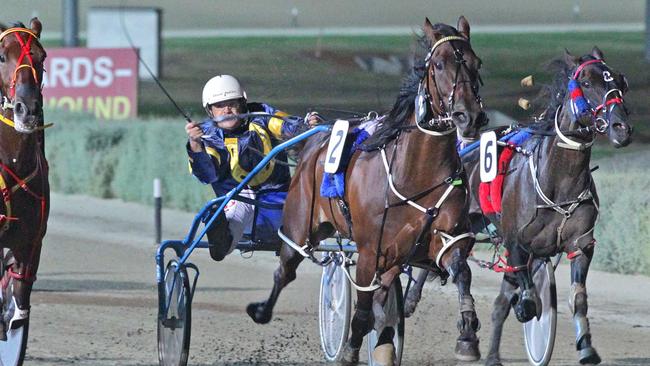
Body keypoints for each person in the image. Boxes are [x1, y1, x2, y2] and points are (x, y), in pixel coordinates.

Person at [186, 75, 319, 261]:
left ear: (243, 103)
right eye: (220, 105)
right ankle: (221, 240)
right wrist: (195, 145)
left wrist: (306, 127)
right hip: (236, 199)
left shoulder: (262, 115)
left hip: (277, 202)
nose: (227, 109)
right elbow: (207, 175)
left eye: (232, 103)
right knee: (233, 209)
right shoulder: (206, 136)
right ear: (210, 111)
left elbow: (287, 126)